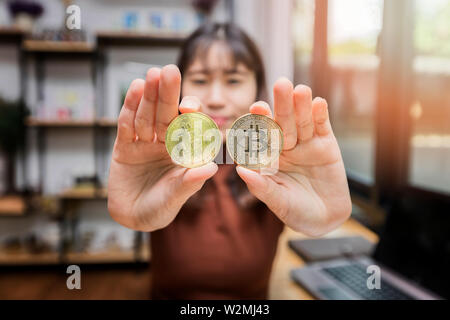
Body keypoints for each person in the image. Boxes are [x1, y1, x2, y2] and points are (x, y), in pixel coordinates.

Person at [107, 23, 352, 299]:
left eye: (233, 80)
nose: (215, 99)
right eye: (200, 80)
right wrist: (133, 215)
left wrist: (325, 219)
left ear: (255, 86)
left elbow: (313, 219)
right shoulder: (163, 165)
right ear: (180, 88)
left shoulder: (275, 165)